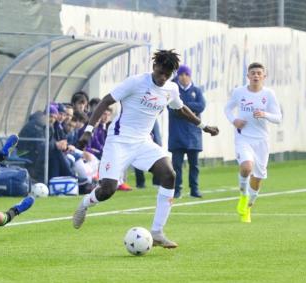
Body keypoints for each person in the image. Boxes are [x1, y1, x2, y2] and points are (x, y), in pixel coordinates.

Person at [73, 49, 219, 248]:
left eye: (167, 75)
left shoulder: (171, 89)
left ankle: (157, 232)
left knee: (169, 174)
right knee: (108, 190)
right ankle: (84, 204)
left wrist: (204, 126)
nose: (163, 78)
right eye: (160, 73)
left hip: (143, 142)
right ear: (154, 67)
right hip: (119, 141)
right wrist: (88, 130)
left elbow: (181, 108)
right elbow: (107, 101)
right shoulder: (136, 82)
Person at [224, 62, 282, 223]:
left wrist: (265, 114)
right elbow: (227, 109)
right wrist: (234, 120)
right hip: (243, 137)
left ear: (264, 76)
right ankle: (243, 195)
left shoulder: (269, 94)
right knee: (246, 166)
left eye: (259, 73)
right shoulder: (239, 92)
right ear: (248, 76)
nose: (256, 75)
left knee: (257, 178)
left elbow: (278, 118)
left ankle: (248, 207)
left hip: (261, 140)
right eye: (253, 73)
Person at [168, 64, 206, 199]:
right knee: (176, 165)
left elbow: (201, 106)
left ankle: (194, 189)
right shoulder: (173, 90)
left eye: (186, 74)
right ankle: (176, 189)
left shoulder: (196, 90)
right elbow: (172, 109)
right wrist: (188, 109)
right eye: (181, 74)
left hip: (193, 134)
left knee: (194, 165)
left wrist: (183, 106)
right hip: (176, 134)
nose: (184, 77)